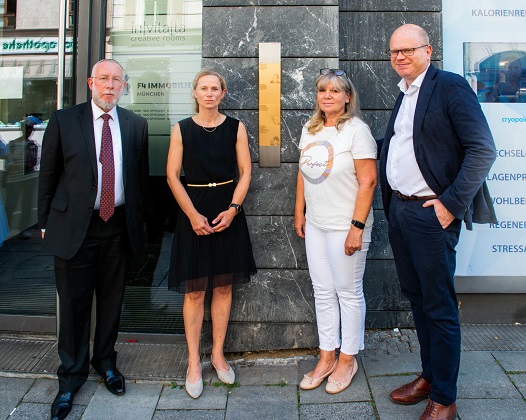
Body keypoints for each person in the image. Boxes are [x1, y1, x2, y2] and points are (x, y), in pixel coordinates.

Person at [380, 24, 496, 420]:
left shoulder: (449, 86)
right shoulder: (405, 93)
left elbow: (482, 148)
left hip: (432, 214)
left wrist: (450, 204)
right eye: (394, 51)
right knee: (417, 300)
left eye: (408, 49)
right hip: (401, 211)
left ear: (428, 50)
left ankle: (444, 398)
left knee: (440, 307)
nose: (400, 56)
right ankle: (430, 376)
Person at [38, 59, 149, 420]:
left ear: (124, 86)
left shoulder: (136, 125)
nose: (110, 85)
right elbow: (49, 174)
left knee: (112, 301)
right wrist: (44, 222)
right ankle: (70, 377)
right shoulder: (63, 120)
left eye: (116, 80)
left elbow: (139, 181)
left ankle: (106, 362)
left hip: (116, 225)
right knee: (73, 305)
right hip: (75, 226)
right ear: (90, 82)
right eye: (103, 79)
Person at [166, 69, 256, 399]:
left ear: (223, 93)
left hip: (227, 210)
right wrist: (191, 215)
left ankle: (217, 354)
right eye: (203, 88)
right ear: (194, 92)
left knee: (223, 286)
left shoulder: (236, 127)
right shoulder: (181, 129)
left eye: (214, 88)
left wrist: (233, 209)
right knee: (194, 291)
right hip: (194, 209)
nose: (208, 93)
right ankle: (193, 362)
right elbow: (173, 176)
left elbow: (245, 172)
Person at [294, 68, 377, 395]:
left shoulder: (357, 131)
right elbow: (303, 173)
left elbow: (368, 181)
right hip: (316, 224)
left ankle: (347, 358)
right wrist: (298, 210)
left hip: (346, 226)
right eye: (322, 90)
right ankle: (327, 356)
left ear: (347, 97)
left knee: (347, 291)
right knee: (323, 291)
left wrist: (356, 228)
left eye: (335, 90)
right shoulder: (310, 128)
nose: (327, 95)